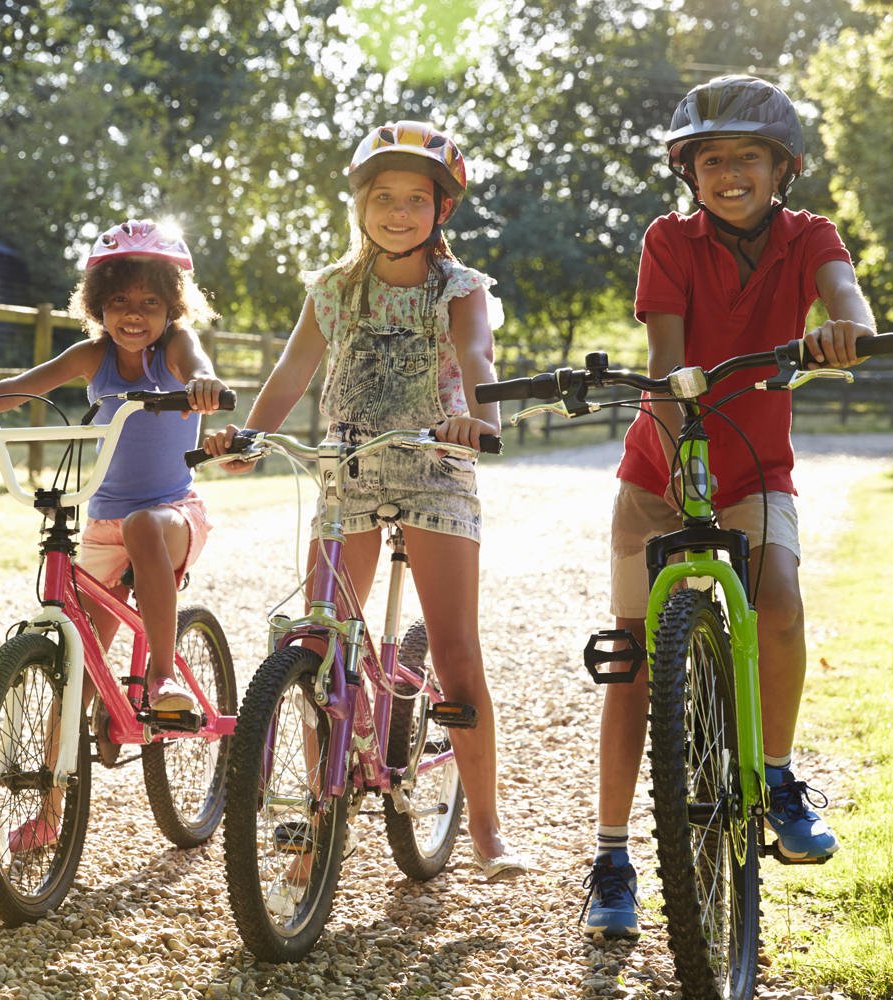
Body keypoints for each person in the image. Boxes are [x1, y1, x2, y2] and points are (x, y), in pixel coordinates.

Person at [581, 75, 876, 940]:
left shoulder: (809, 236)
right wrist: (677, 452)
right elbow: (670, 360)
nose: (729, 172)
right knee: (633, 658)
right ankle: (610, 853)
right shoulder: (667, 240)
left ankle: (777, 777)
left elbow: (846, 297)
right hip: (658, 469)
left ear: (781, 167)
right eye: (711, 159)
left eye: (748, 156)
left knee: (778, 599)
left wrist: (844, 331)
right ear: (689, 172)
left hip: (755, 467)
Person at [202, 120, 528, 881]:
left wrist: (483, 421)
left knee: (454, 648)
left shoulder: (461, 289)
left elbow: (478, 360)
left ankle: (484, 823)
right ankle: (316, 824)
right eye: (383, 197)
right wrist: (250, 437)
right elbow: (289, 375)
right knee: (322, 648)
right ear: (359, 204)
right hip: (347, 468)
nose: (398, 212)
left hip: (435, 465)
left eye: (416, 199)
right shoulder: (334, 288)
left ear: (440, 211)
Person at [0, 218, 227, 850]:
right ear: (97, 306)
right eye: (118, 303)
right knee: (75, 670)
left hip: (169, 514)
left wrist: (204, 385)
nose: (133, 316)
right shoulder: (94, 356)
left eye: (149, 304)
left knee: (143, 525)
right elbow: (22, 387)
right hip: (105, 521)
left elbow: (198, 362)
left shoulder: (176, 349)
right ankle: (50, 812)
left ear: (172, 307)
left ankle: (162, 676)